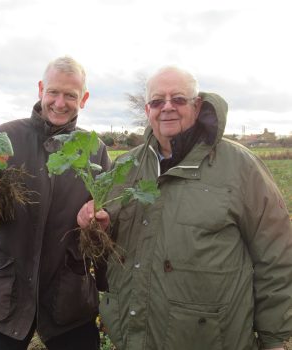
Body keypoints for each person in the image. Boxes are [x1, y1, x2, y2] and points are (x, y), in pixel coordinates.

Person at [77, 66, 292, 350]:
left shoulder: (239, 166)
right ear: (147, 110)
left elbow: (276, 254)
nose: (167, 107)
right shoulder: (126, 167)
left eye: (178, 99)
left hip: (212, 339)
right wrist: (95, 229)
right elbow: (109, 253)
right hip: (134, 336)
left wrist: (274, 339)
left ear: (197, 105)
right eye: (157, 101)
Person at [0, 56, 111, 350]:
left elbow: (108, 213)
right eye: (53, 92)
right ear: (41, 89)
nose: (60, 102)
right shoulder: (3, 138)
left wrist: (100, 222)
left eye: (71, 95)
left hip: (68, 299)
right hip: (4, 296)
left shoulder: (95, 149)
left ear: (85, 99)